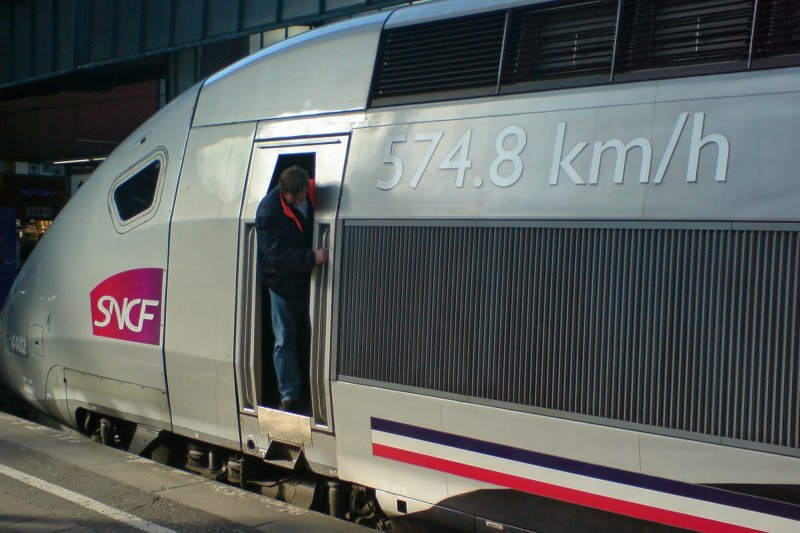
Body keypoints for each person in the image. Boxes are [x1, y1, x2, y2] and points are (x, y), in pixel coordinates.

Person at [256, 165, 328, 413]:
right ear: (284, 192)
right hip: (281, 283)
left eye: (301, 196)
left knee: (314, 333)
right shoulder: (267, 211)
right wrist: (312, 258)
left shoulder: (311, 190)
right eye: (294, 199)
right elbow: (276, 254)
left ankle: (315, 385)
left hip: (309, 278)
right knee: (284, 338)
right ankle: (289, 394)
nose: (299, 201)